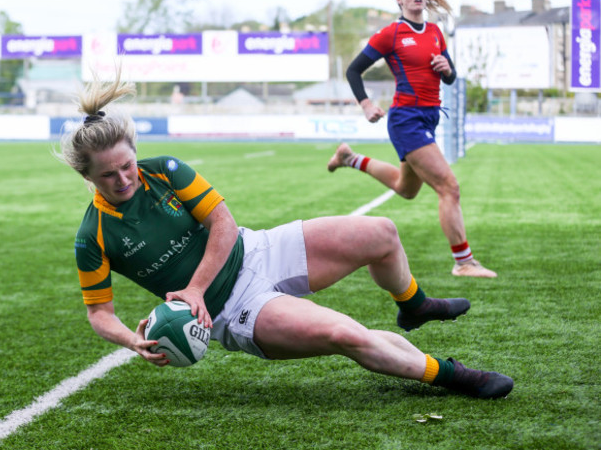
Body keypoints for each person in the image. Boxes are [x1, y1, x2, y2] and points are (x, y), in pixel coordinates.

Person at [57, 68, 513, 399]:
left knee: (382, 233)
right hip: (234, 311)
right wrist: (134, 340)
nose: (123, 180)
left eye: (127, 166)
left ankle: (412, 305)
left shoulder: (166, 171)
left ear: (136, 154)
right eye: (107, 177)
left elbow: (224, 223)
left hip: (258, 249)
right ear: (88, 178)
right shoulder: (93, 236)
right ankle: (453, 375)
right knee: (346, 334)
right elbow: (100, 314)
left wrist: (192, 286)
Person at [328, 0, 496, 278]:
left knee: (405, 189)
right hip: (406, 119)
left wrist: (448, 69)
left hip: (429, 118)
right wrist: (366, 104)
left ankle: (349, 158)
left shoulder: (435, 32)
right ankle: (464, 262)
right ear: (399, 0)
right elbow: (354, 70)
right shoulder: (391, 34)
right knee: (449, 187)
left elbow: (450, 76)